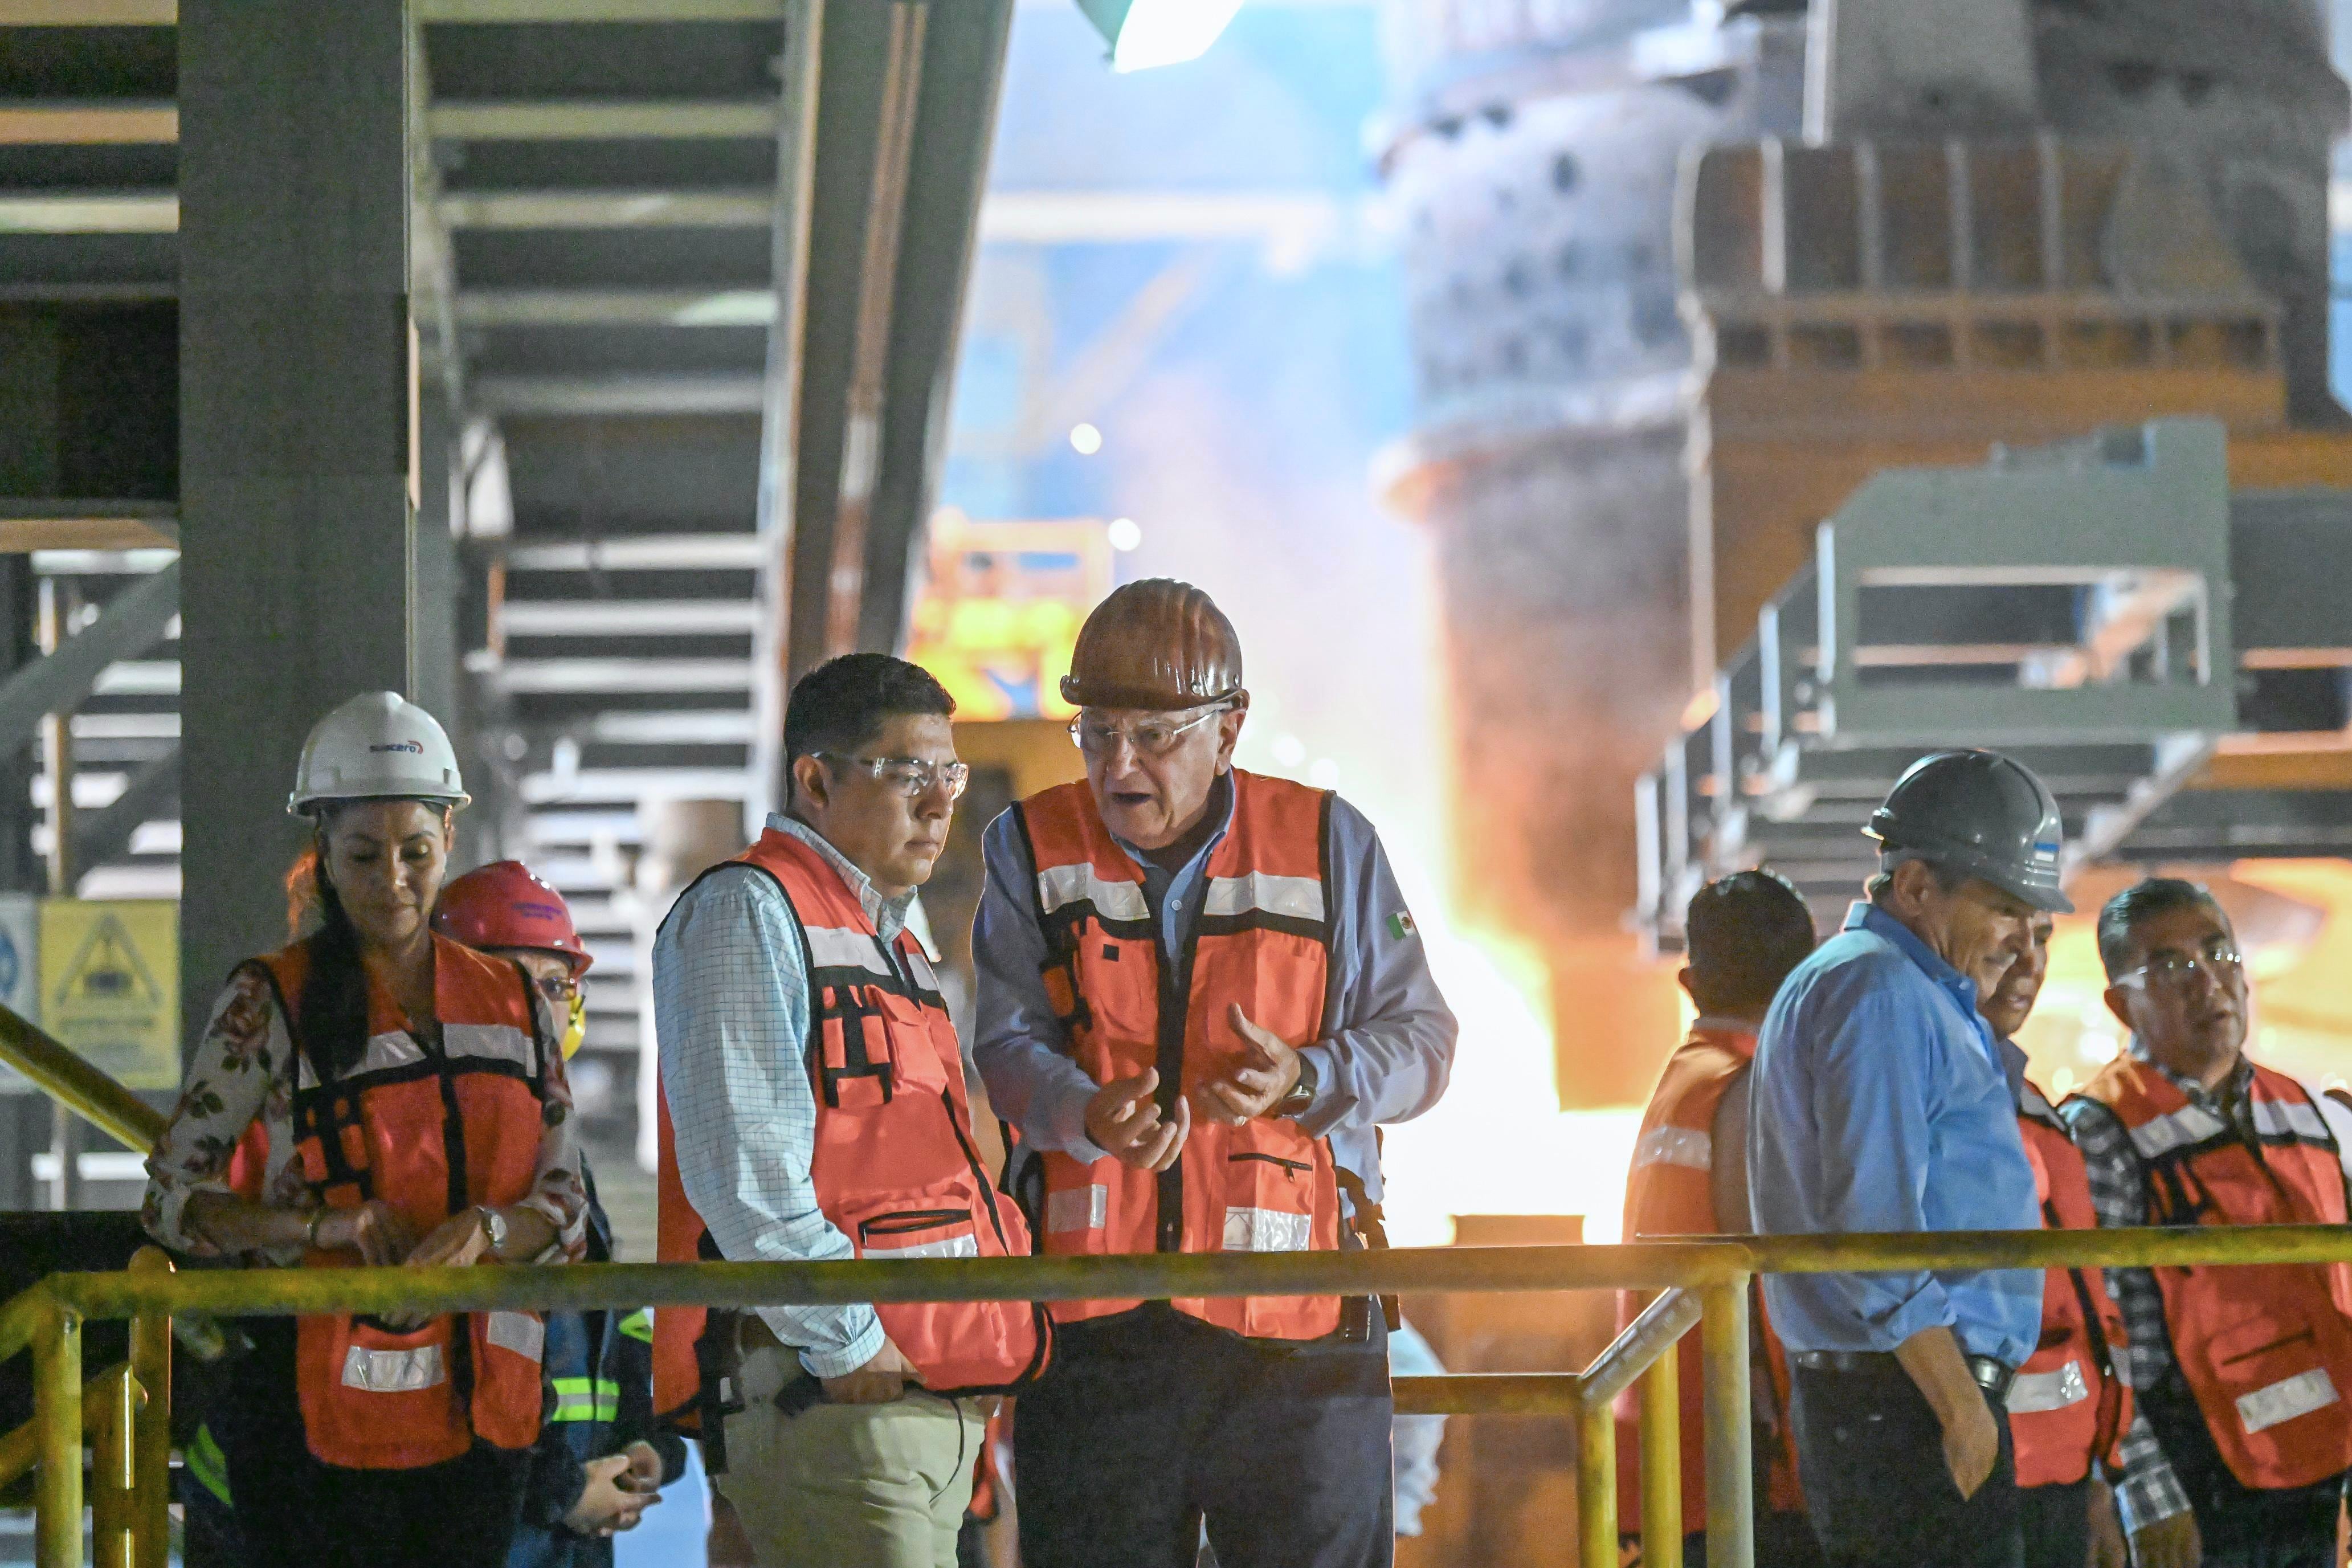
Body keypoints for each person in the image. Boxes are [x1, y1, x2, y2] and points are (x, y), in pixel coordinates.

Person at [972, 578, 1457, 1568]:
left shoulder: (1330, 843)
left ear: (1229, 727)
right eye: (1096, 732)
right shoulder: (1027, 845)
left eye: (1153, 736)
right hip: (1096, 1334)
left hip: (1299, 1332)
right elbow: (1004, 1047)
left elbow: (1423, 1044)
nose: (1118, 764)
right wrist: (1084, 1112)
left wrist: (1308, 1077)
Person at [142, 691, 587, 1568]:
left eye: (416, 852)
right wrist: (321, 1228)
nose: (393, 880)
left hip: (485, 1422)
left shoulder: (514, 1003)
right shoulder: (270, 1000)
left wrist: (486, 1231)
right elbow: (171, 1201)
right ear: (324, 850)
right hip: (306, 1425)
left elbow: (564, 1202)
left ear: (450, 837)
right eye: (363, 855)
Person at [652, 654, 1047, 1568]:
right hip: (839, 1399)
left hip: (914, 1400)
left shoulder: (885, 937)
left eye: (948, 775)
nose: (940, 804)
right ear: (817, 780)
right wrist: (851, 1345)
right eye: (907, 773)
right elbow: (745, 1181)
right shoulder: (748, 912)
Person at [1748, 748, 2073, 1568]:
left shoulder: (1896, 986)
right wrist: (1960, 1406)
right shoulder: (1881, 990)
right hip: (1907, 1403)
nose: (2023, 943)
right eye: (2005, 910)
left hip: (1898, 1394)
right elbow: (1875, 1224)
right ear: (1919, 885)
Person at [2064, 879, 2352, 1568]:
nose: (2206, 983)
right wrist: (2149, 1496)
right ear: (2120, 1005)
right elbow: (2106, 1331)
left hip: (2323, 1474)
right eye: (2170, 967)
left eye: (2219, 954)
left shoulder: (2308, 1113)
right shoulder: (2101, 1130)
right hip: (2199, 1487)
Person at [431, 860, 690, 1566]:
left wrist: (645, 1438)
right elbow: (453, 1352)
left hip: (565, 1526)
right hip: (491, 1523)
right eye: (513, 980)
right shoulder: (433, 1145)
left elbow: (614, 1313)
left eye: (555, 984)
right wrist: (561, 1488)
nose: (540, 1005)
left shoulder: (557, 1148)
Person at [1616, 869, 1823, 1567]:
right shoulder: (1756, 1089)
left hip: (1676, 1450)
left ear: (1691, 983)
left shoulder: (1686, 1080)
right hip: (1751, 1462)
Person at [1977, 912, 2130, 1568]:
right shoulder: (1921, 1101)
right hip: (1970, 1478)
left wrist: (2098, 1477)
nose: (2029, 960)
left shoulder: (2036, 1110)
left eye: (2041, 938)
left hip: (2057, 1478)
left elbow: (2089, 1309)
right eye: (2005, 935)